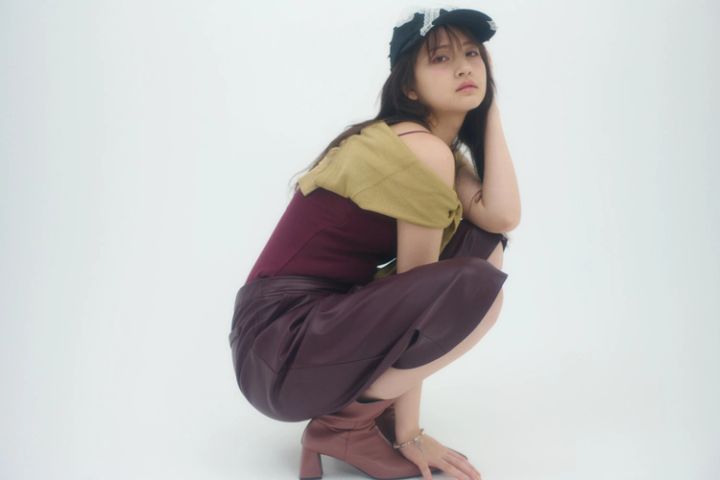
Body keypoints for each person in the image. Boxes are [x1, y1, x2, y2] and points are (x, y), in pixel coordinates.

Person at [228, 6, 521, 480]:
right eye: (441, 59)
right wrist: (410, 434)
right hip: (280, 345)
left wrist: (489, 111)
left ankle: (362, 414)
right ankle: (345, 426)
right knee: (478, 288)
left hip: (300, 336)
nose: (464, 67)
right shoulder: (422, 151)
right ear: (409, 87)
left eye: (472, 55)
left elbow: (502, 216)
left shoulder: (438, 151)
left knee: (483, 244)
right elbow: (421, 305)